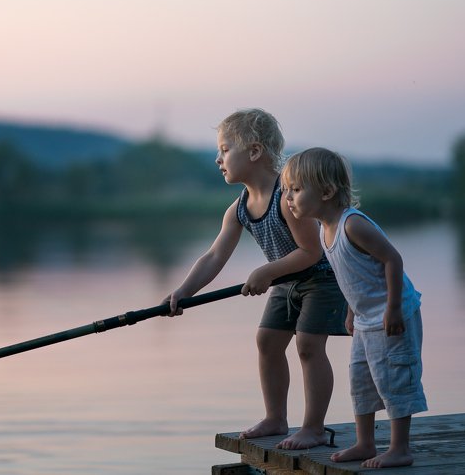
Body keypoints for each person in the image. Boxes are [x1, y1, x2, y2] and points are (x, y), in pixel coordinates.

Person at [164, 109, 348, 450]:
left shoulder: (287, 195)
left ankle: (314, 428)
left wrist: (266, 271)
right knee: (267, 342)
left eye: (224, 149)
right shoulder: (239, 208)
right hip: (285, 283)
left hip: (321, 280)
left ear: (253, 151)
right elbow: (215, 256)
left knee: (308, 347)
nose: (218, 159)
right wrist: (184, 292)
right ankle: (276, 417)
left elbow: (311, 252)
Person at [281, 147, 426, 468]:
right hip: (364, 318)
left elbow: (392, 259)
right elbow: (352, 276)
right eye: (287, 190)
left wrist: (392, 309)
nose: (288, 197)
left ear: (327, 192)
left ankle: (400, 448)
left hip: (393, 314)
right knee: (361, 378)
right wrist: (350, 310)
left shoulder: (352, 225)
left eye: (296, 189)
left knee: (394, 379)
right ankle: (365, 443)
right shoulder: (324, 229)